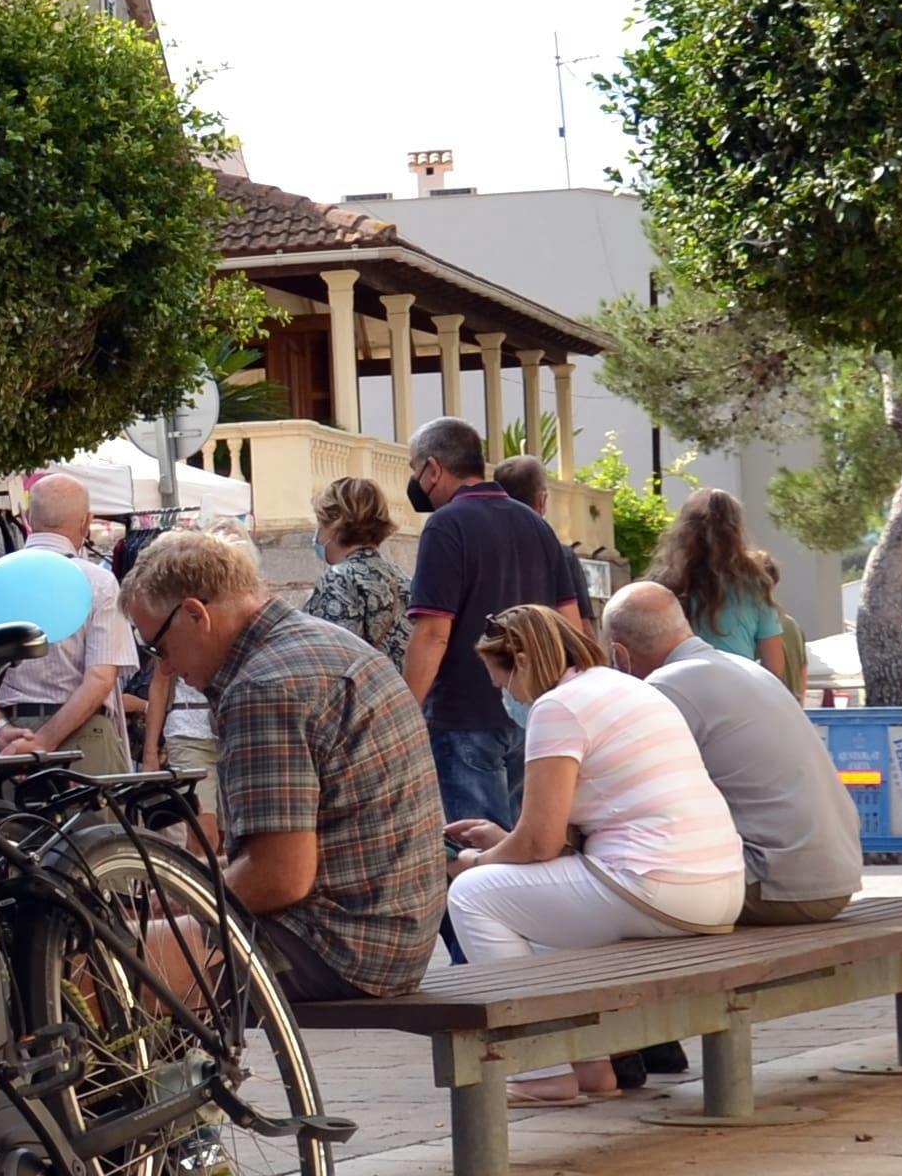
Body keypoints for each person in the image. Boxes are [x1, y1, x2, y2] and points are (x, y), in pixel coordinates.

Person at [119, 527, 446, 1004]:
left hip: (340, 946)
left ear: (195, 614)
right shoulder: (316, 642)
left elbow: (280, 877)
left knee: (93, 967)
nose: (162, 669)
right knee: (144, 934)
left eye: (159, 649)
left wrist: (183, 896)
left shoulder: (262, 686)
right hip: (395, 933)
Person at [443, 602, 747, 1099]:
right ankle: (591, 1071)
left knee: (475, 895)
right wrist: (504, 843)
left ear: (519, 661)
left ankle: (539, 1073)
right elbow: (564, 832)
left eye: (499, 678)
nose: (502, 693)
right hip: (716, 885)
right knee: (538, 922)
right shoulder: (623, 687)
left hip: (656, 883)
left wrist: (472, 862)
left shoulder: (557, 706)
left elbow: (540, 842)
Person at [605, 582, 865, 924]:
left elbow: (624, 797)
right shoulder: (747, 669)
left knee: (604, 884)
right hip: (834, 879)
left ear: (621, 655)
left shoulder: (665, 688)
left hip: (775, 886)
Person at [404, 417, 585, 828]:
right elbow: (569, 624)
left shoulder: (446, 526)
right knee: (524, 849)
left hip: (463, 716)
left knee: (476, 855)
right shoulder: (537, 525)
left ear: (433, 469)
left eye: (416, 471)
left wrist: (405, 712)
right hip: (532, 714)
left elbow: (432, 634)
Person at [0, 472, 135, 771]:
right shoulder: (99, 583)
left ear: (28, 518)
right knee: (93, 820)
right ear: (86, 521)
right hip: (82, 736)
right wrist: (44, 741)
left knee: (7, 819)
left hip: (8, 739)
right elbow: (100, 678)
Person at [650, 491, 797, 682]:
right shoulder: (754, 582)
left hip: (683, 688)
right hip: (737, 687)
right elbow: (774, 664)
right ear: (736, 531)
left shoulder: (666, 583)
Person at [301, 475, 407, 649]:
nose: (317, 533)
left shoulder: (340, 579)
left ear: (334, 525)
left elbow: (332, 655)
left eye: (320, 522)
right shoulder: (401, 577)